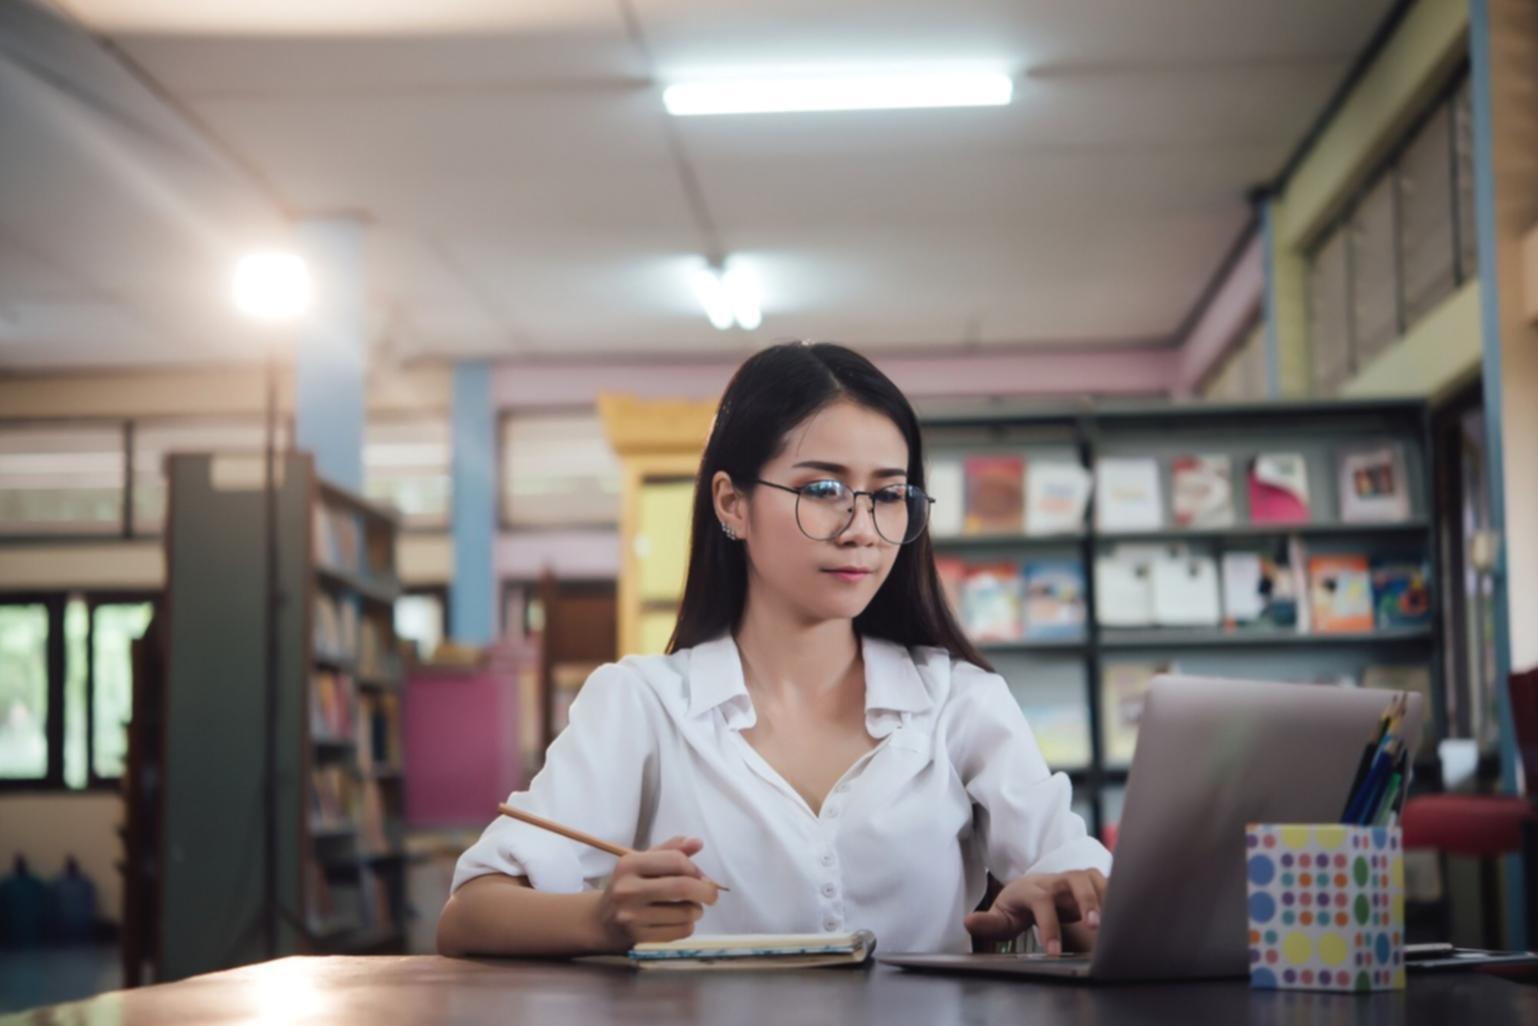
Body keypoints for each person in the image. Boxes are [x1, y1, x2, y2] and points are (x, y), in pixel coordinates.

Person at [437, 341, 1110, 958]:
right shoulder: (641, 703)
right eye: (823, 490)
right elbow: (469, 916)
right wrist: (603, 919)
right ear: (732, 503)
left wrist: (1059, 907)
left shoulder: (960, 702)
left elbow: (1086, 893)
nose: (861, 531)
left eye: (888, 495)